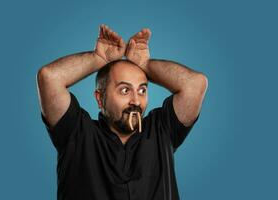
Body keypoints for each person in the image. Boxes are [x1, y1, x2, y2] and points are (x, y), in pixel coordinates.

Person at [36, 24, 208, 200]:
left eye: (142, 90)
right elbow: (49, 78)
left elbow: (195, 84)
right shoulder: (77, 133)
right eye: (125, 90)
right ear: (99, 98)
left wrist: (144, 64)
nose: (136, 101)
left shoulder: (162, 129)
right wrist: (97, 59)